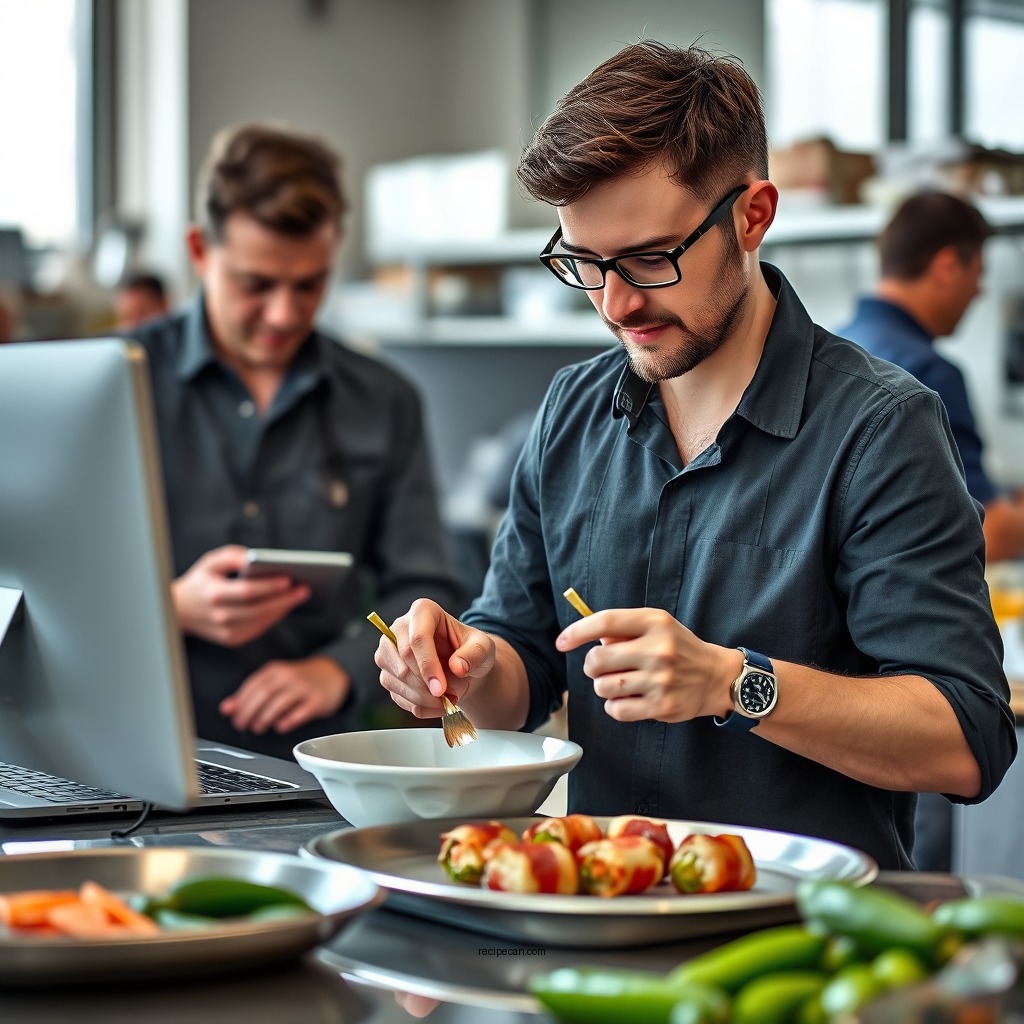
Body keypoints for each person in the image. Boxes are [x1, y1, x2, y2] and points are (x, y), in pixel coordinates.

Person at [372, 41, 1016, 871]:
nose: (617, 303)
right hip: (605, 928)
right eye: (587, 264)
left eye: (649, 258)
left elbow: (967, 739)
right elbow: (522, 669)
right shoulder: (572, 410)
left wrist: (731, 683)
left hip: (798, 952)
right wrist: (462, 666)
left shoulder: (881, 429)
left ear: (753, 215)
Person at [128, 122, 462, 759]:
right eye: (256, 284)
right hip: (128, 759)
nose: (283, 314)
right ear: (200, 251)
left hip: (314, 768)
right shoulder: (115, 381)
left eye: (308, 284)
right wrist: (166, 605)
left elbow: (425, 588)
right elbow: (31, 591)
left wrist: (339, 669)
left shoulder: (385, 400)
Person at [839, 191, 1024, 563]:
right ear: (947, 266)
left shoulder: (833, 348)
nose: (979, 290)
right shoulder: (928, 375)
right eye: (978, 274)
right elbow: (988, 534)